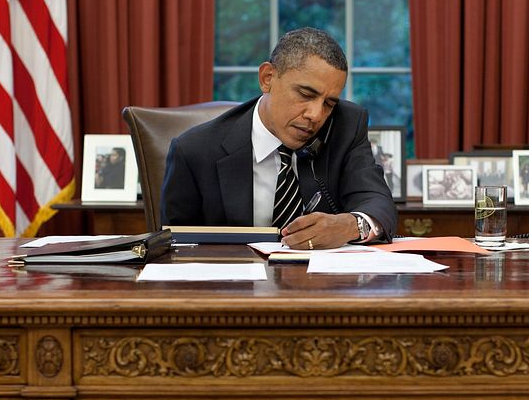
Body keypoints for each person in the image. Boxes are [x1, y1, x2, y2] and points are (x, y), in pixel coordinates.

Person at [161, 27, 396, 249]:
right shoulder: (195, 151)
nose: (316, 115)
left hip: (321, 284)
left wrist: (350, 226)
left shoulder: (346, 125)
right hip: (234, 284)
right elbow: (174, 247)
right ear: (267, 78)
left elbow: (378, 203)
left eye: (328, 103)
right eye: (305, 94)